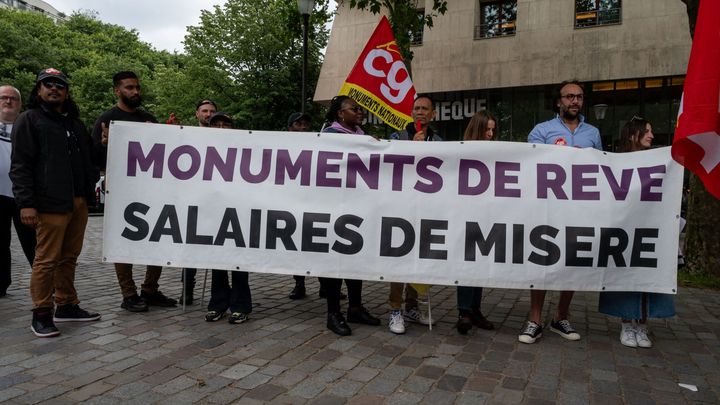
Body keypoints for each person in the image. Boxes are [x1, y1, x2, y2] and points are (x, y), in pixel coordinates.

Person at [10, 68, 101, 337]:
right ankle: (41, 312)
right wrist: (26, 202)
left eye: (59, 85)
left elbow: (90, 159)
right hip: (49, 203)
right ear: (38, 90)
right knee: (46, 260)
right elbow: (20, 165)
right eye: (47, 84)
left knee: (69, 258)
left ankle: (67, 305)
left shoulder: (74, 123)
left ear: (66, 91)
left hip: (78, 202)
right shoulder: (29, 120)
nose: (54, 88)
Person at [519, 79, 602, 344]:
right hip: (548, 207)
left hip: (580, 209)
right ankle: (534, 320)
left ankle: (560, 317)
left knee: (572, 262)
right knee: (542, 259)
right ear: (559, 101)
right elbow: (531, 164)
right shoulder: (541, 130)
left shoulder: (593, 133)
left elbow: (601, 169)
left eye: (578, 96)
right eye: (569, 96)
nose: (574, 101)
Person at [91, 71, 176, 312]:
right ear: (117, 90)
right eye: (129, 88)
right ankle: (128, 294)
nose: (135, 92)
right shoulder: (107, 119)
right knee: (124, 239)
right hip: (122, 190)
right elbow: (94, 157)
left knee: (157, 236)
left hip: (151, 189)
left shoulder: (148, 118)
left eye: (137, 87)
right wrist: (105, 145)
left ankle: (150, 289)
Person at [598, 116, 674, 348]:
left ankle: (642, 325)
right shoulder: (617, 162)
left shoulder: (659, 161)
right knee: (625, 275)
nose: (652, 135)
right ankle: (626, 324)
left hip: (648, 227)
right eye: (647, 131)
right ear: (633, 135)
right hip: (624, 228)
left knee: (647, 275)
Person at [319, 95, 380, 336]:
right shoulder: (330, 137)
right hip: (335, 208)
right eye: (354, 109)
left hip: (358, 207)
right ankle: (333, 313)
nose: (360, 112)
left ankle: (355, 307)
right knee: (336, 261)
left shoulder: (360, 136)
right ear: (340, 114)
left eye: (360, 109)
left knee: (355, 258)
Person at [385, 95, 440, 334]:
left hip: (426, 207)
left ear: (433, 114)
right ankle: (394, 309)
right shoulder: (398, 137)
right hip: (401, 207)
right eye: (416, 108)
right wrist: (410, 149)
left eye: (424, 109)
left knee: (420, 259)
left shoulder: (439, 140)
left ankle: (412, 306)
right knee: (399, 258)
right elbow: (389, 165)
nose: (420, 112)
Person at [285, 112, 345, 301]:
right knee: (297, 247)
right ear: (289, 128)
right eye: (298, 124)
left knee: (320, 246)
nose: (303, 127)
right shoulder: (282, 147)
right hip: (293, 204)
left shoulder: (320, 145)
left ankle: (325, 286)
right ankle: (299, 283)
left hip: (317, 204)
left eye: (306, 124)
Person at [202, 112, 253, 324]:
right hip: (214, 211)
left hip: (240, 211)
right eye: (217, 125)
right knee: (217, 260)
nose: (222, 128)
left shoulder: (246, 149)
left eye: (226, 124)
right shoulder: (203, 149)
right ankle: (218, 303)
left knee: (239, 261)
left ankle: (240, 305)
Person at [455, 110, 497, 334]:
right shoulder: (461, 150)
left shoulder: (495, 152)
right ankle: (464, 312)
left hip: (486, 215)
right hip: (465, 214)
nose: (490, 134)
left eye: (492, 130)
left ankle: (474, 309)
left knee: (479, 262)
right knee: (467, 262)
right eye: (486, 129)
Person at [178, 99, 218, 305]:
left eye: (212, 111)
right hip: (192, 199)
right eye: (204, 111)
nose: (208, 114)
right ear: (197, 114)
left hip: (215, 200)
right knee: (190, 247)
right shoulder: (187, 135)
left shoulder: (224, 137)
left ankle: (218, 293)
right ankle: (187, 288)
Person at [1, 85, 36, 297]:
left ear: (20, 104)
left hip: (24, 195)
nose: (8, 102)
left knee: (33, 242)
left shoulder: (28, 127)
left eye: (13, 98)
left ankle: (46, 284)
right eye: (3, 98)